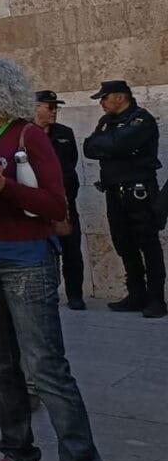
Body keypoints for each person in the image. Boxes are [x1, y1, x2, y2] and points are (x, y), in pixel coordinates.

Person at [0, 57, 106, 461]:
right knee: (0, 368)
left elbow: (56, 206)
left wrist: (8, 188)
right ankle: (20, 458)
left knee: (46, 369)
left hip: (24, 261)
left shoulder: (29, 135)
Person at [82, 79, 163, 318]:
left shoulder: (141, 119)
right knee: (124, 243)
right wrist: (111, 146)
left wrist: (110, 146)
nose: (102, 104)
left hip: (138, 191)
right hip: (114, 191)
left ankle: (156, 299)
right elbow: (89, 147)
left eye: (104, 98)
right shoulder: (107, 122)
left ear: (120, 97)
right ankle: (136, 294)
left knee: (148, 244)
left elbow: (119, 143)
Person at [35, 91, 85, 311]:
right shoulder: (26, 133)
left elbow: (70, 163)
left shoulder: (65, 133)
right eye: (50, 107)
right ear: (36, 107)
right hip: (37, 204)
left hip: (64, 201)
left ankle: (75, 294)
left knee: (71, 248)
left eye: (56, 107)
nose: (54, 111)